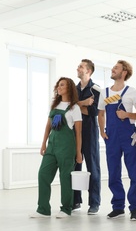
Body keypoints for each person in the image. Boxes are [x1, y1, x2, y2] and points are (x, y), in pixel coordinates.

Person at [30, 77, 82, 219]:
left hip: (67, 147)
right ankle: (43, 209)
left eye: (62, 85)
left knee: (65, 178)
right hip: (52, 146)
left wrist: (78, 152)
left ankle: (66, 209)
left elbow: (78, 133)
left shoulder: (74, 108)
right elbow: (48, 127)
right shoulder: (54, 106)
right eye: (58, 85)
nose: (59, 87)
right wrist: (43, 143)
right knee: (43, 174)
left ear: (69, 88)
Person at [98, 60, 136, 221]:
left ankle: (135, 208)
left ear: (124, 72)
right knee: (113, 173)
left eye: (116, 68)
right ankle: (118, 207)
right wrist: (102, 132)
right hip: (112, 137)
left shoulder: (132, 92)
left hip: (129, 136)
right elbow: (101, 113)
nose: (113, 69)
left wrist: (127, 115)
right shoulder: (105, 92)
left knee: (134, 173)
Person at [72, 59, 101, 215]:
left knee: (93, 167)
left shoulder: (95, 90)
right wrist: (82, 103)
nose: (78, 68)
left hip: (89, 132)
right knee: (75, 166)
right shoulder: (73, 89)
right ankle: (75, 201)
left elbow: (93, 112)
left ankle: (94, 203)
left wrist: (77, 106)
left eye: (81, 67)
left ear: (88, 71)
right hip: (74, 132)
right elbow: (69, 108)